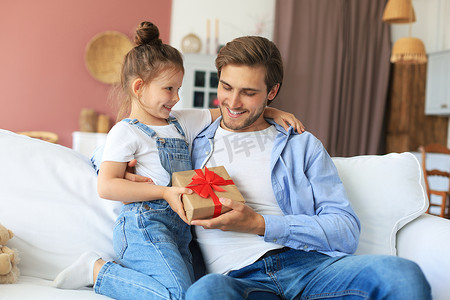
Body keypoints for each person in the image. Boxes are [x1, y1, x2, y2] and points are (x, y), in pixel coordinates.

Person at [52, 22, 303, 300]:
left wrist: (271, 110)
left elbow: (228, 112)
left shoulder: (181, 122)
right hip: (145, 225)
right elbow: (107, 186)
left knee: (194, 293)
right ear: (139, 87)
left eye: (178, 88)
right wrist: (164, 192)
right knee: (179, 296)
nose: (177, 97)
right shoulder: (126, 131)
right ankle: (99, 272)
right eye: (169, 89)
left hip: (181, 230)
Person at [179, 36, 431, 299]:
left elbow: (345, 230)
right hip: (238, 279)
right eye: (226, 87)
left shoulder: (301, 145)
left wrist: (261, 224)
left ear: (272, 92)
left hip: (312, 269)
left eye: (249, 93)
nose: (232, 102)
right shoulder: (190, 140)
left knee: (401, 275)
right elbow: (141, 125)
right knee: (206, 292)